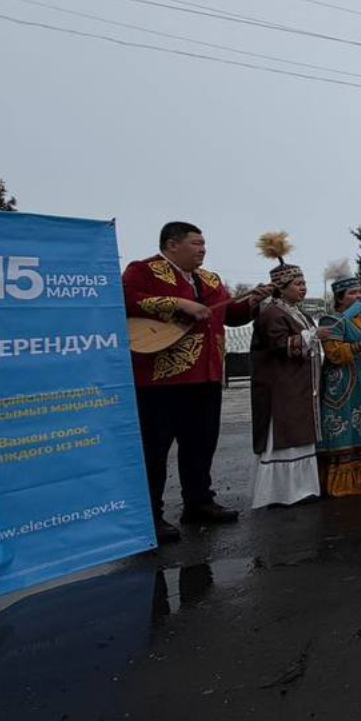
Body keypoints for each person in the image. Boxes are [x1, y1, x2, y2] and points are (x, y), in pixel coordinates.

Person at [123, 221, 270, 543]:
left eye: (204, 244)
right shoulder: (143, 271)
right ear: (172, 244)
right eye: (196, 243)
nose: (203, 249)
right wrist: (177, 303)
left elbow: (230, 316)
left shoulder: (210, 279)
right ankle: (150, 514)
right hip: (160, 377)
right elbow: (127, 299)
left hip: (206, 375)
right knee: (154, 449)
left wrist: (254, 300)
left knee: (201, 443)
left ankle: (199, 501)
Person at [250, 233, 322, 508]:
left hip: (298, 384)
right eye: (298, 284)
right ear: (282, 288)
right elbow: (280, 345)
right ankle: (282, 493)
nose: (303, 288)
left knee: (298, 435)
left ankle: (301, 489)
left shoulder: (296, 312)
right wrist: (314, 336)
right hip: (280, 386)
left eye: (304, 283)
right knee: (284, 435)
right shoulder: (272, 313)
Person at [315, 261, 361, 497]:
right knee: (348, 428)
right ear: (340, 298)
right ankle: (343, 483)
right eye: (352, 293)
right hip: (345, 382)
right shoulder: (332, 320)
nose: (359, 296)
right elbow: (334, 353)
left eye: (360, 291)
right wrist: (360, 346)